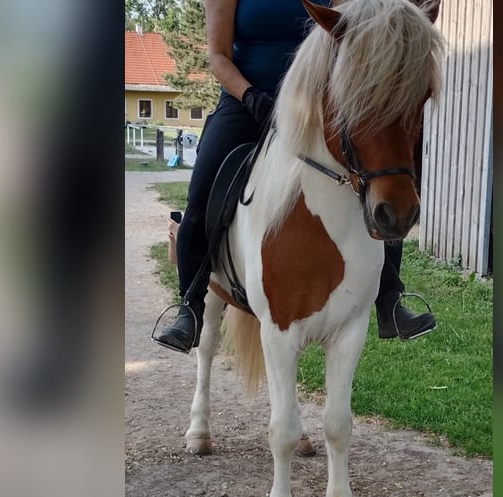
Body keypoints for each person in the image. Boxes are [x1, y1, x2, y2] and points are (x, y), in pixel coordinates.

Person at [157, 0, 436, 353]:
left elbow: (362, 30)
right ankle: (191, 306)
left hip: (317, 103)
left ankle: (390, 299)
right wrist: (250, 96)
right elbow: (218, 57)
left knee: (375, 169)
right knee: (204, 185)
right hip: (247, 99)